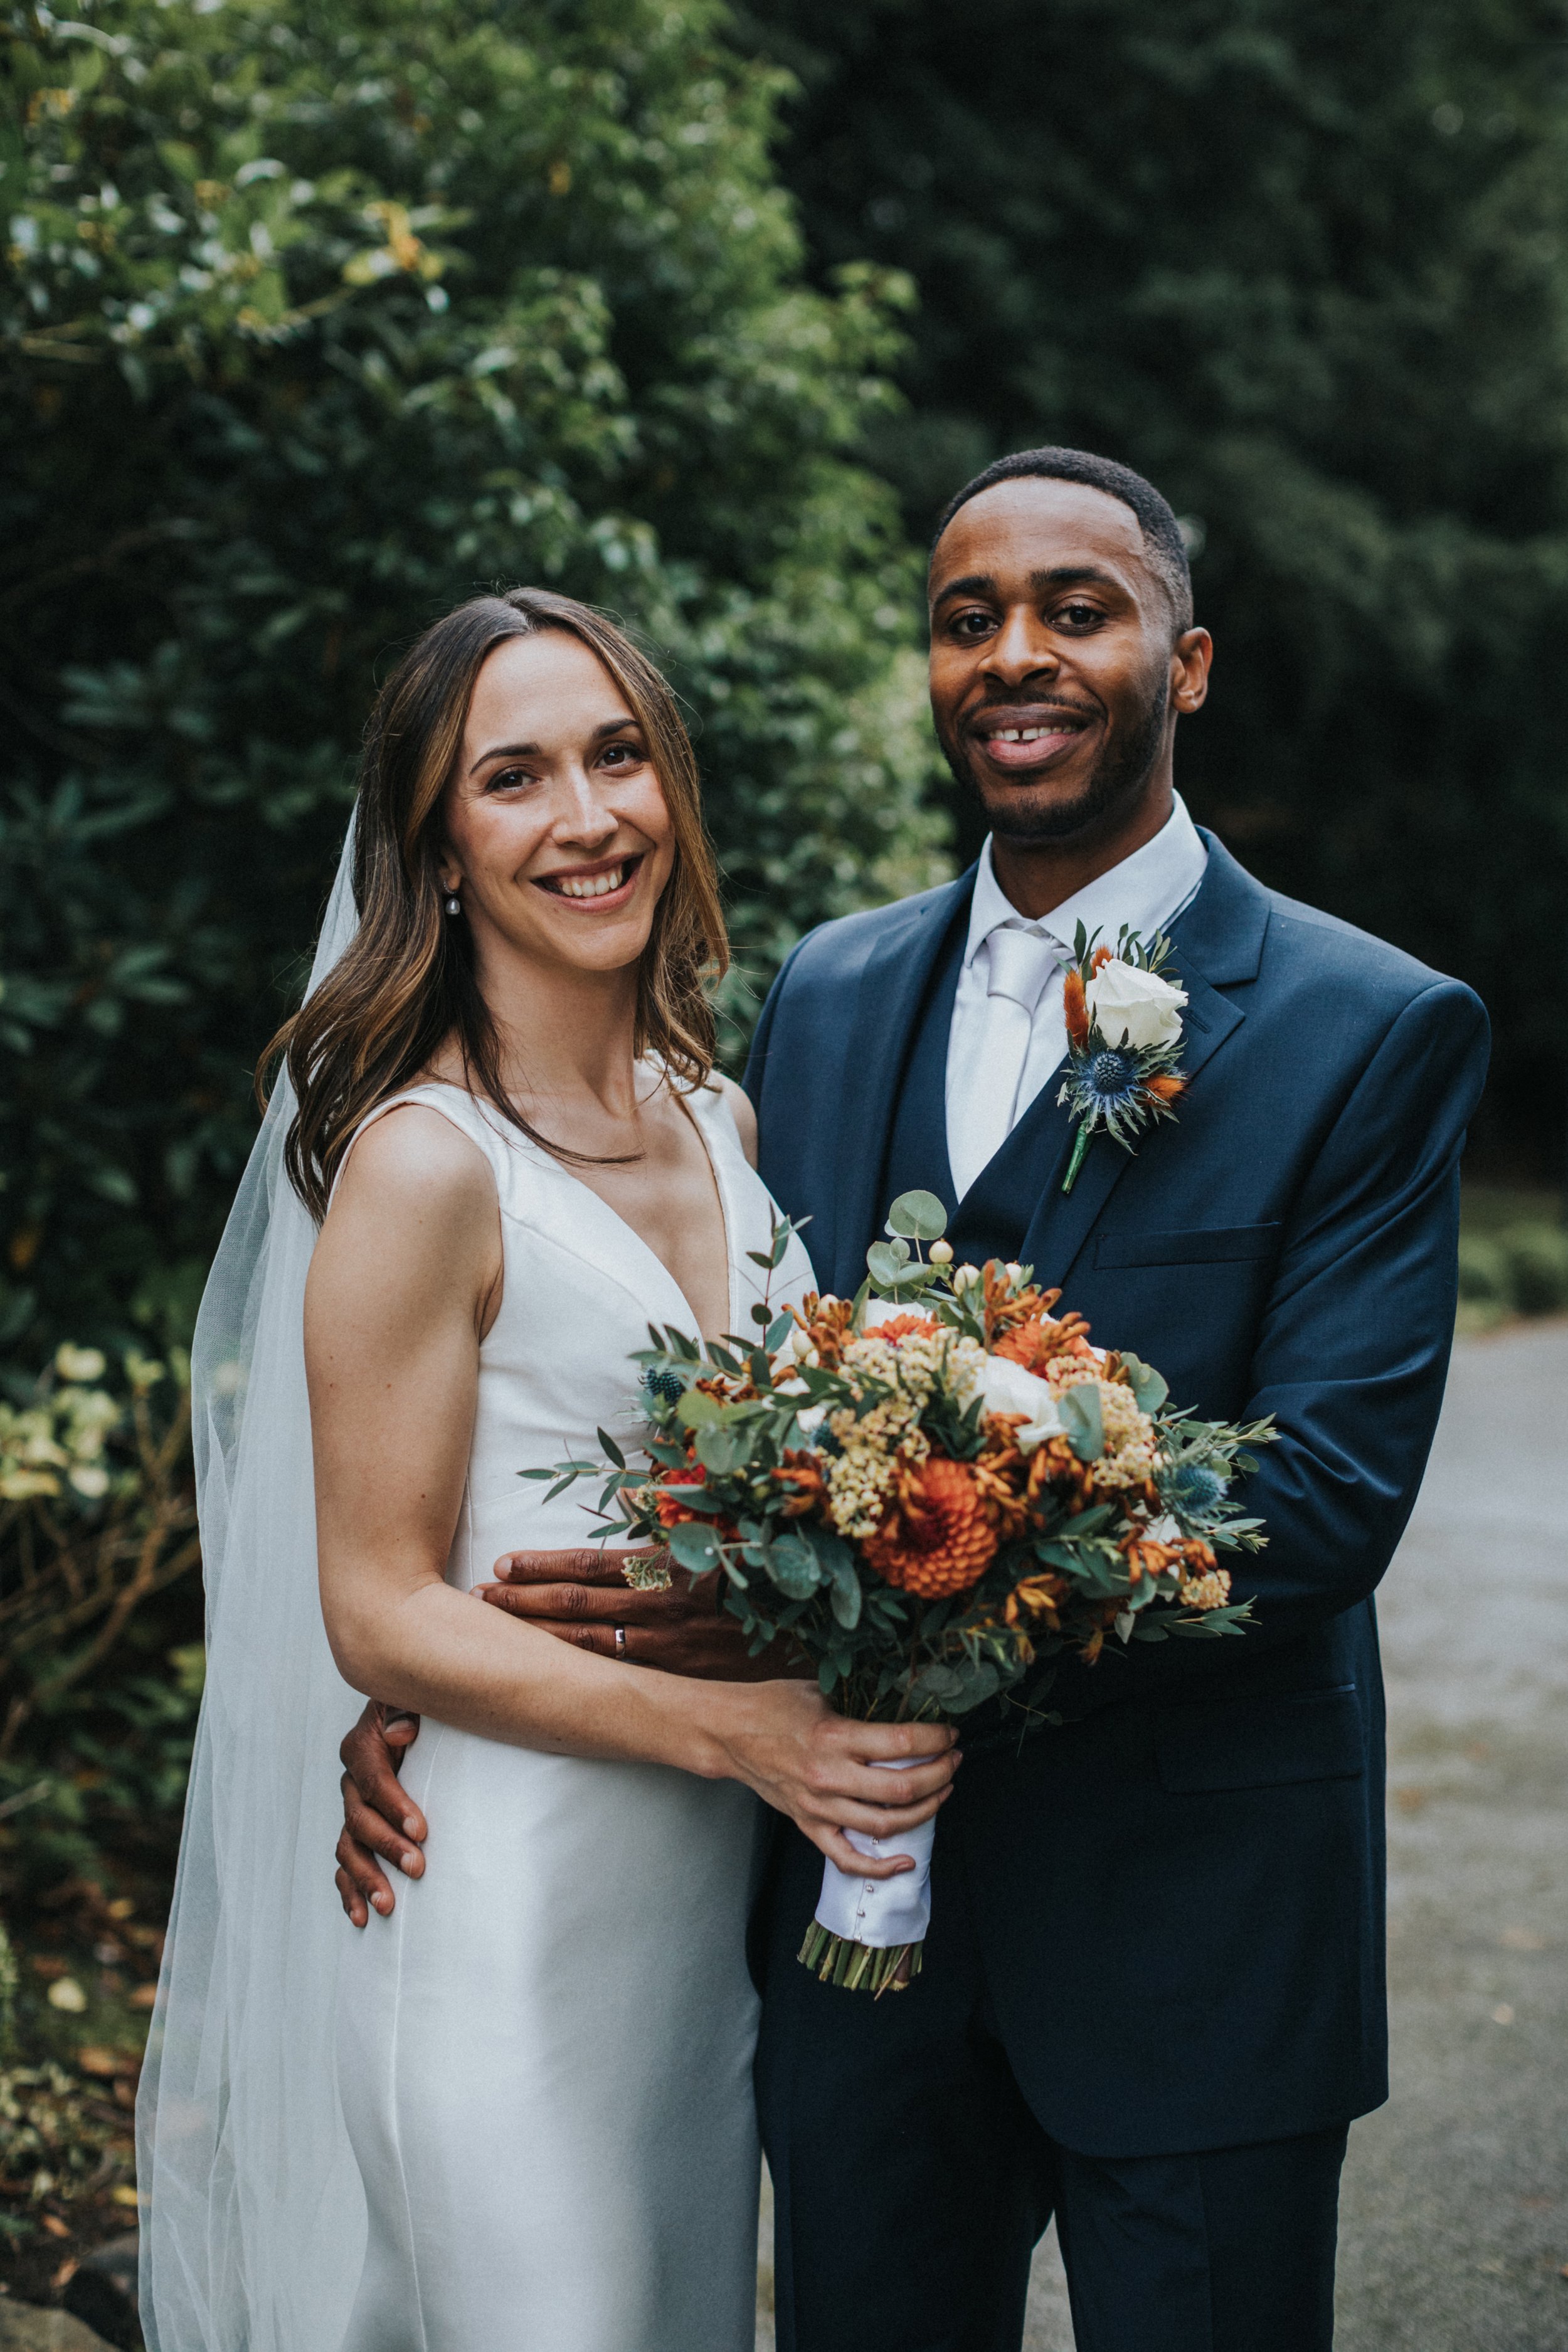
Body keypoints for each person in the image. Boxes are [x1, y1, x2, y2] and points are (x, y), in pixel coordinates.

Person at [334, 454, 1490, 2352]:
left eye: (1075, 610)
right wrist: (448, 1673)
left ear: (1183, 665)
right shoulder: (826, 995)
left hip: (1194, 1928)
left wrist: (857, 1612)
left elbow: (1321, 1503)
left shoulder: (1368, 1027)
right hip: (845, 1950)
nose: (1013, 656)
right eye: (967, 622)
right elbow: (723, 1420)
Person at [136, 586, 957, 2352]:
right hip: (495, 1910)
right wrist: (743, 1731)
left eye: (616, 755)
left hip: (691, 1920)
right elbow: (379, 1609)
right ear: (435, 853)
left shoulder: (710, 1110)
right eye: (512, 779)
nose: (587, 818)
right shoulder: (424, 1168)